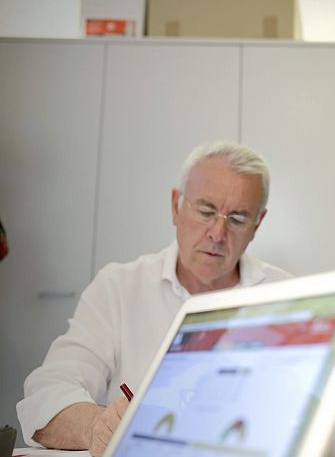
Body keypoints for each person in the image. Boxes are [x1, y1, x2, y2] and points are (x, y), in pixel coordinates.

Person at [16, 141, 290, 456]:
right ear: (176, 206)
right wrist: (97, 426)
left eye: (238, 218)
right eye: (205, 211)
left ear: (257, 224)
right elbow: (46, 394)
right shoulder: (118, 287)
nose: (217, 233)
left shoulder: (289, 295)